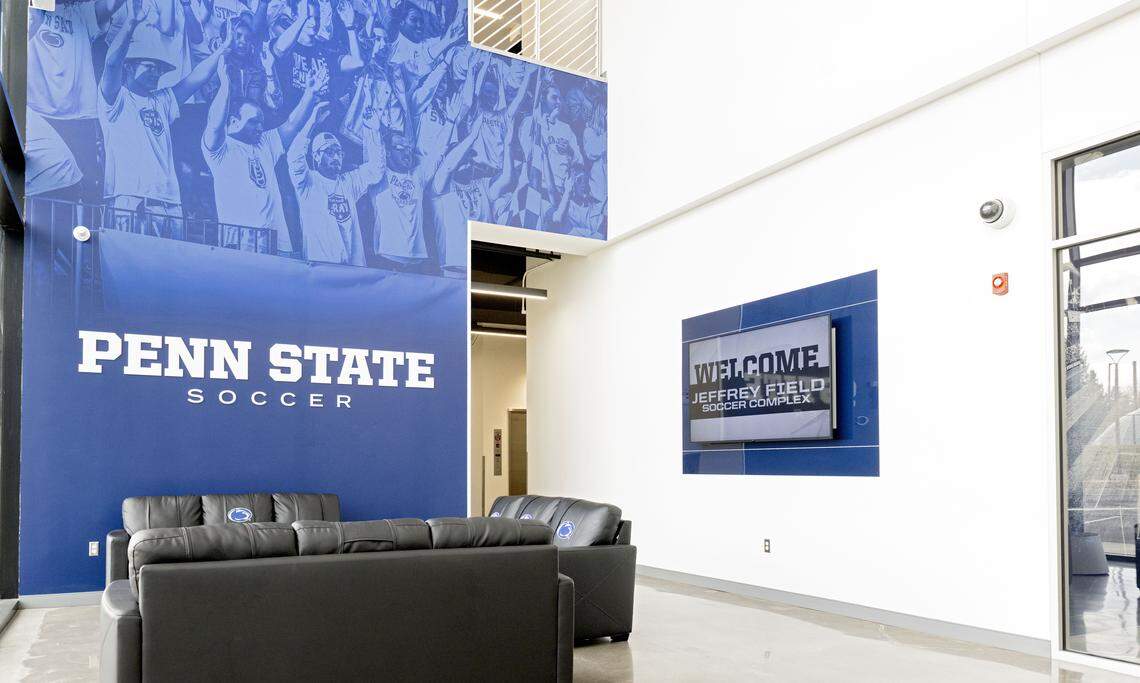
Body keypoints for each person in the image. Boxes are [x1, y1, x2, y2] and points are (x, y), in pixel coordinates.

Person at [98, 0, 231, 237]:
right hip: (132, 198)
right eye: (150, 66)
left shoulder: (162, 100)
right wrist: (131, 23)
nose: (156, 74)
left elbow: (195, 79)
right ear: (129, 67)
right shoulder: (115, 99)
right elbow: (111, 62)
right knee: (134, 265)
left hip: (170, 201)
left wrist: (222, 50)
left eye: (160, 69)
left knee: (169, 268)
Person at [203, 53, 325, 254]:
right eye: (253, 121)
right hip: (240, 242)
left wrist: (310, 94)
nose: (260, 127)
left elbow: (292, 124)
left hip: (278, 241)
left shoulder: (265, 144)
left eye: (261, 122)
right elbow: (215, 123)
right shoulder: (219, 148)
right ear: (233, 121)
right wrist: (225, 85)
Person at [26, 0, 123, 198]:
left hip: (80, 116)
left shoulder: (82, 13)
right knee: (50, 189)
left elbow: (111, 5)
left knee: (89, 186)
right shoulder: (31, 9)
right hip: (39, 113)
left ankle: (91, 230)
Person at [288, 102, 384, 265]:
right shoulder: (307, 182)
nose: (336, 157)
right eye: (329, 152)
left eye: (339, 152)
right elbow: (294, 156)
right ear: (316, 156)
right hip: (320, 266)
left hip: (354, 269)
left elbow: (376, 170)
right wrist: (311, 123)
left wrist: (373, 130)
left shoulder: (348, 182)